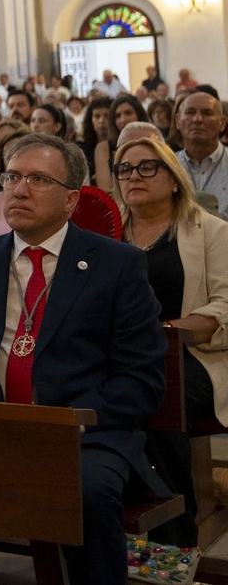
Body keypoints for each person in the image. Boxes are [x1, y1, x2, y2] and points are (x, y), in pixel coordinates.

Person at [0, 133, 167, 584]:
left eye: (38, 179)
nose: (18, 189)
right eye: (13, 177)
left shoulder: (117, 265)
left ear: (71, 199)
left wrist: (61, 421)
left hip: (85, 435)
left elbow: (141, 379)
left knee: (84, 492)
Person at [113, 136, 228, 547]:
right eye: (124, 169)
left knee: (156, 391)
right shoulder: (105, 235)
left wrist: (164, 332)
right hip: (115, 356)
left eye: (147, 167)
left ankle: (173, 543)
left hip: (189, 355)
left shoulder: (210, 231)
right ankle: (108, 529)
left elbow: (224, 307)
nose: (134, 176)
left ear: (174, 178)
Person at [178, 90, 228, 214]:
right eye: (190, 112)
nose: (197, 119)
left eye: (207, 113)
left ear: (222, 123)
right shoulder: (167, 166)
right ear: (178, 121)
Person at [92, 94, 148, 194]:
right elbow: (105, 191)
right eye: (118, 116)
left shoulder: (153, 144)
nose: (123, 120)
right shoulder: (104, 148)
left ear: (139, 115)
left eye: (128, 113)